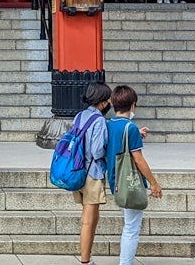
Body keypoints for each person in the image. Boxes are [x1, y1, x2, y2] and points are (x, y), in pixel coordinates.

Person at [106, 85, 162, 265]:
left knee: (129, 222)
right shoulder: (130, 127)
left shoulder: (109, 124)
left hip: (115, 179)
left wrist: (135, 133)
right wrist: (153, 183)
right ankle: (125, 263)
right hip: (130, 182)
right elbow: (139, 160)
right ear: (132, 105)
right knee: (131, 227)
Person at [68, 81, 113, 265]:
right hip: (92, 173)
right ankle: (85, 261)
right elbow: (97, 151)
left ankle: (87, 257)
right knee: (88, 219)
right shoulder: (99, 120)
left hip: (77, 170)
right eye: (108, 99)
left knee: (90, 216)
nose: (109, 103)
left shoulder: (80, 116)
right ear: (102, 101)